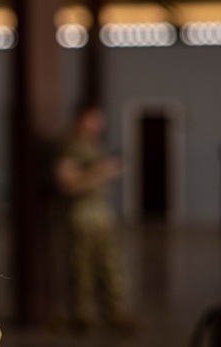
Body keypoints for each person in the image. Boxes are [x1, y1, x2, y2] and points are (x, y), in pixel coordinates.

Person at [54, 103, 136, 333]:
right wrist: (101, 171)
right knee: (83, 271)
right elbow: (68, 184)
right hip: (82, 217)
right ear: (81, 119)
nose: (98, 125)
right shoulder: (72, 146)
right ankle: (83, 318)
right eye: (93, 119)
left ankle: (115, 314)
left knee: (111, 269)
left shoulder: (93, 145)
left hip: (101, 216)